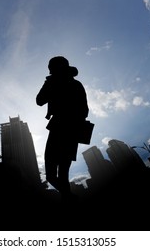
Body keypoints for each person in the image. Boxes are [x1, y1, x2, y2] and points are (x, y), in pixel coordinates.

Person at [36, 56, 89, 202]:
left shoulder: (69, 84)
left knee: (56, 175)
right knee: (58, 175)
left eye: (50, 66)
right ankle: (70, 196)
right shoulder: (74, 83)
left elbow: (39, 100)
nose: (48, 69)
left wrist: (49, 84)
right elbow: (39, 101)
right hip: (69, 131)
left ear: (57, 67)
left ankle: (70, 198)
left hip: (62, 129)